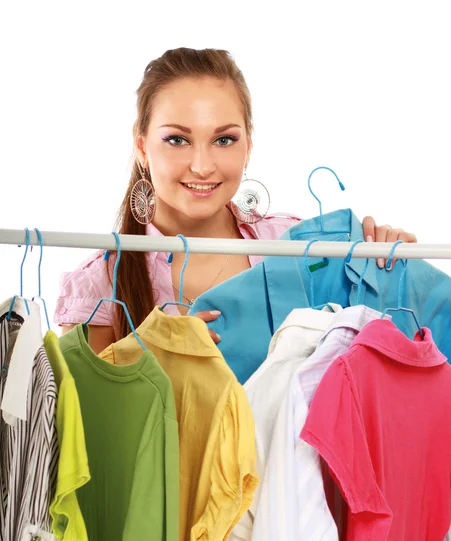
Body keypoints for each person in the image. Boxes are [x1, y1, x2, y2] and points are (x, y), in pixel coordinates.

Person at [55, 47, 417, 354]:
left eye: (224, 139)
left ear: (248, 147)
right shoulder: (99, 287)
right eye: (177, 140)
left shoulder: (302, 249)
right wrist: (145, 360)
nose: (202, 166)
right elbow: (86, 429)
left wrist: (389, 267)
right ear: (142, 148)